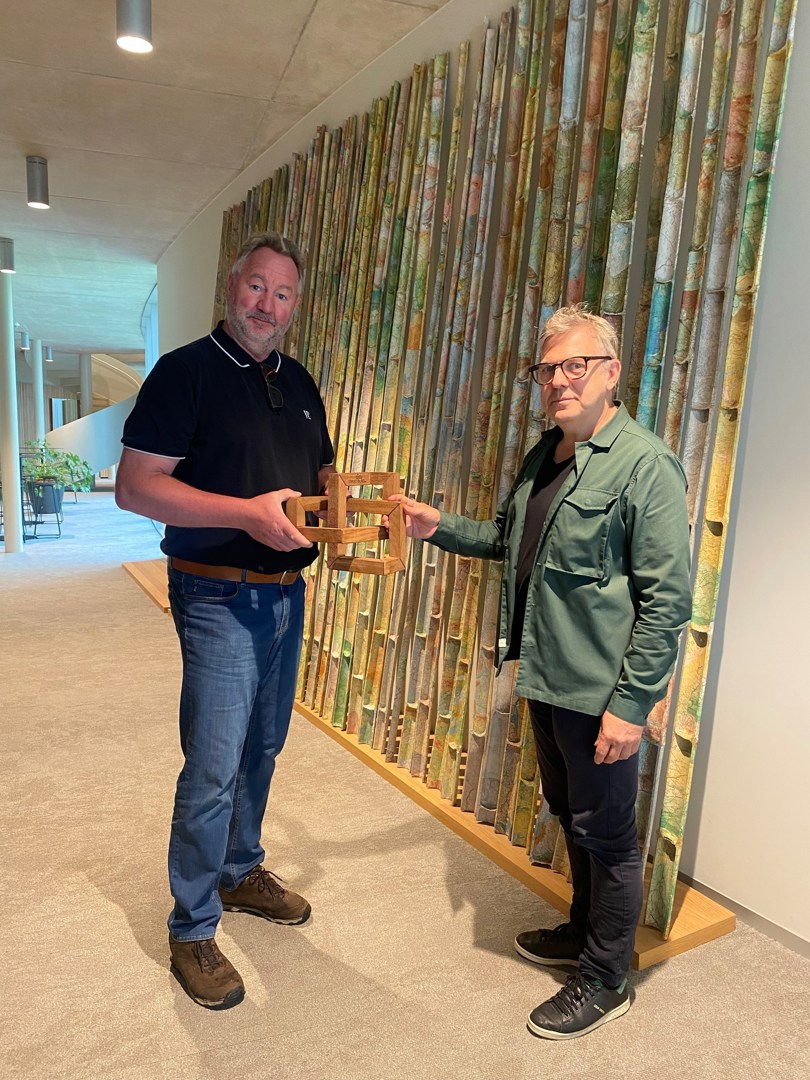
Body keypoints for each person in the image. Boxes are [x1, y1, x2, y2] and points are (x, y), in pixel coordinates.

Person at [389, 305, 691, 1039]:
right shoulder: (545, 454)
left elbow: (668, 603)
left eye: (574, 365)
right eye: (547, 369)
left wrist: (631, 706)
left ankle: (606, 977)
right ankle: (583, 933)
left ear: (611, 372)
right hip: (545, 676)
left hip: (599, 690)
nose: (558, 380)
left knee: (608, 835)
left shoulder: (645, 465)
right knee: (573, 818)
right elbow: (505, 538)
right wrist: (436, 526)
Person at [116, 232, 334, 1011]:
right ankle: (192, 925)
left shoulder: (299, 380)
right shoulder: (185, 373)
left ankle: (239, 872)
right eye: (256, 287)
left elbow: (321, 470)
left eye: (282, 293)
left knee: (262, 747)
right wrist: (244, 513)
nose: (267, 305)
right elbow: (136, 487)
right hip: (215, 596)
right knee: (212, 765)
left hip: (287, 595)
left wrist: (349, 507)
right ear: (232, 287)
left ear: (295, 305)